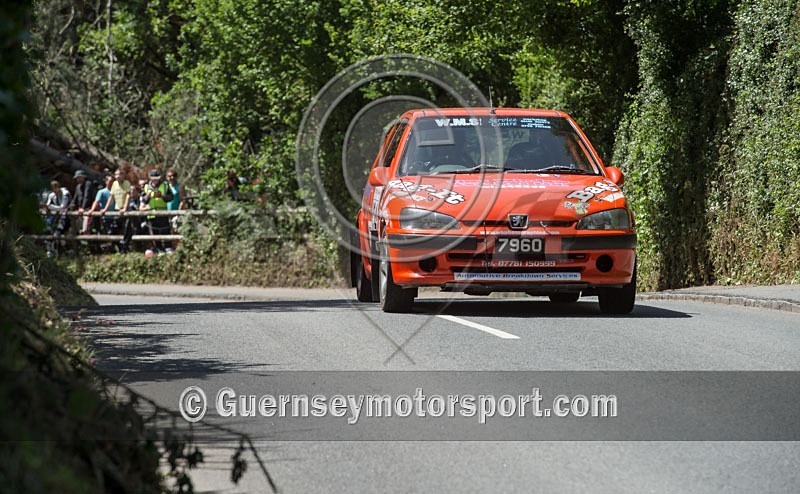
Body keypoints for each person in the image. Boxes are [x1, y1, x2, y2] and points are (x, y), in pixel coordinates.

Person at [141, 168, 174, 253]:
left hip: (163, 212)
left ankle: (168, 248)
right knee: (155, 232)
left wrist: (163, 196)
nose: (155, 180)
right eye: (153, 178)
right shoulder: (146, 187)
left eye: (157, 178)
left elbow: (171, 198)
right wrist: (147, 196)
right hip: (151, 213)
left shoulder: (165, 185)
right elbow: (143, 200)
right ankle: (159, 249)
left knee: (165, 230)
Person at [44, 179, 71, 257]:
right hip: (56, 217)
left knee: (59, 233)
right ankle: (51, 251)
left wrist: (52, 207)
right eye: (52, 189)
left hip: (66, 216)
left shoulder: (65, 193)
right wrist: (52, 207)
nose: (54, 190)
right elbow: (47, 206)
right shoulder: (51, 195)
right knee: (48, 231)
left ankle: (65, 250)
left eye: (55, 188)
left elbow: (63, 206)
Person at [70, 169, 96, 234]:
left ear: (83, 177)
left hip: (88, 208)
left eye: (79, 177)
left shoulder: (88, 184)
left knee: (86, 227)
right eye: (77, 178)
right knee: (76, 225)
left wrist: (83, 208)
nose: (78, 179)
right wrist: (70, 206)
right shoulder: (78, 187)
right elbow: (75, 198)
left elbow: (86, 197)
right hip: (80, 209)